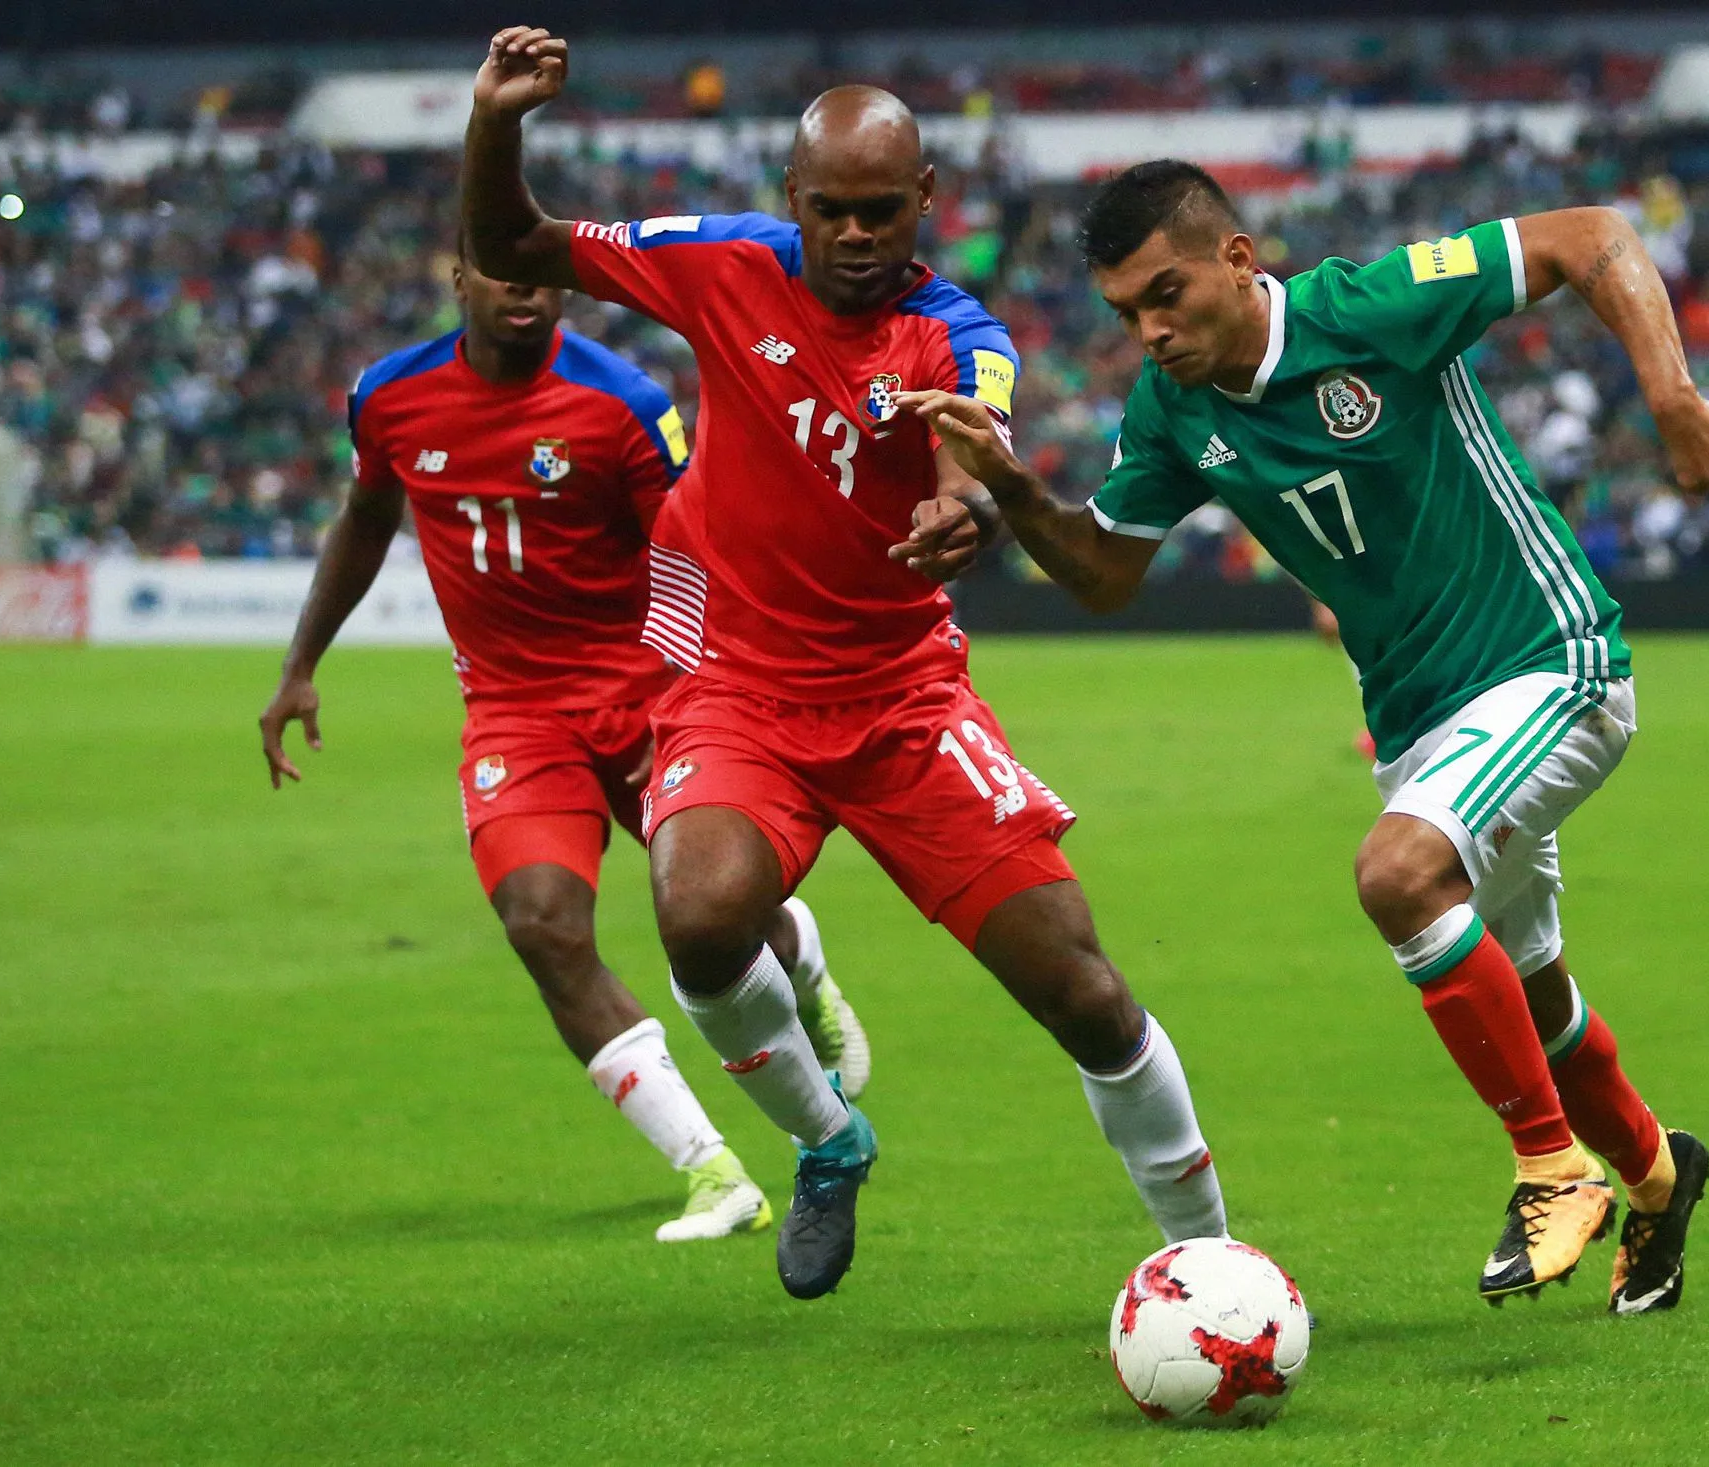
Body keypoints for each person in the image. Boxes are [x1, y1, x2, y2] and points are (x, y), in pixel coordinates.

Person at [903, 160, 1709, 1314]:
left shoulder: (1369, 307)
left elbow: (1591, 236)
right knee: (1531, 992)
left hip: (1546, 659)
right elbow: (1106, 574)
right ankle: (1659, 1176)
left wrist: (1669, 394)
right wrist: (1012, 491)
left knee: (1398, 877)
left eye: (1166, 295)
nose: (1150, 332)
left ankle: (1551, 1166)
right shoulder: (1170, 409)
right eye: (1125, 314)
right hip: (1417, 721)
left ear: (1237, 261)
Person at [461, 29, 1228, 1301]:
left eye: (883, 210)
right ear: (793, 198)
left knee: (1081, 992)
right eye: (832, 211)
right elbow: (512, 241)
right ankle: (828, 1142)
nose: (858, 235)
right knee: (699, 918)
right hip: (736, 686)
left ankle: (1207, 1251)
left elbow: (972, 457)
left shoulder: (956, 334)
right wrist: (496, 122)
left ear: (926, 199)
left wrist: (960, 513)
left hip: (903, 699)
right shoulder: (718, 263)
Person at [257, 241, 871, 1243]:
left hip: (645, 695)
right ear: (461, 276)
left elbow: (692, 550)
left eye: (539, 265)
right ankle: (713, 1172)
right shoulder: (390, 397)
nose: (524, 282)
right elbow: (366, 519)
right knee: (542, 924)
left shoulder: (623, 403)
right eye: (501, 265)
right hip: (514, 713)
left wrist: (685, 696)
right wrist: (300, 665)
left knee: (717, 914)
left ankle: (796, 957)